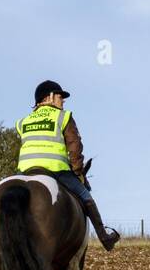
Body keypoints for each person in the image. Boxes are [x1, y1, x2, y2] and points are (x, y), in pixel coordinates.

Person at [16, 79, 121, 251]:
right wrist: (78, 171)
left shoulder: (22, 122)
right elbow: (75, 146)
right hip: (55, 170)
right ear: (49, 97)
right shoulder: (63, 116)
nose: (63, 100)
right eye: (60, 96)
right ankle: (105, 237)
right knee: (86, 196)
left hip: (25, 171)